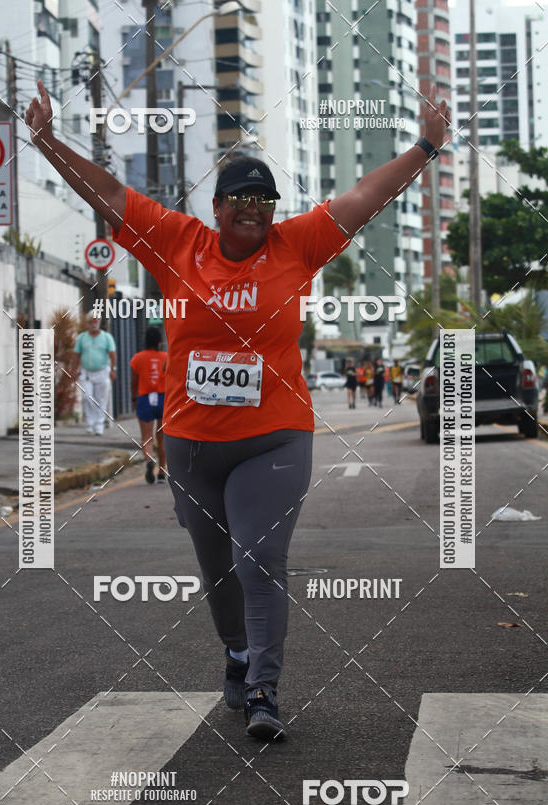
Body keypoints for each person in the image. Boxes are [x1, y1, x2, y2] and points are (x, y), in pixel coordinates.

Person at [26, 79, 450, 741]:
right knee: (218, 569)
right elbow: (108, 194)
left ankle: (263, 689)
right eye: (242, 199)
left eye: (265, 201)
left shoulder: (299, 245)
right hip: (192, 443)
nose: (255, 210)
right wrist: (48, 142)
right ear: (218, 206)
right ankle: (236, 651)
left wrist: (425, 147)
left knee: (258, 559)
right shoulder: (177, 242)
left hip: (273, 438)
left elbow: (364, 198)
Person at [130, 326, 167, 484]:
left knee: (147, 436)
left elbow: (133, 382)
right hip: (163, 398)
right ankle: (162, 473)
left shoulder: (138, 358)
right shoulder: (167, 357)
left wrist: (133, 398)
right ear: (159, 341)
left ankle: (149, 460)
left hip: (145, 398)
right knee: (162, 437)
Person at [72, 312, 117, 435]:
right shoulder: (82, 337)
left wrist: (114, 369)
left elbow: (112, 354)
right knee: (87, 398)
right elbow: (76, 355)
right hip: (86, 373)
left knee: (101, 399)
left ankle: (99, 425)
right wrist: (73, 370)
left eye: (96, 321)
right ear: (88, 323)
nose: (94, 323)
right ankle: (90, 423)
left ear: (99, 322)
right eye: (91, 321)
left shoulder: (107, 337)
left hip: (103, 372)